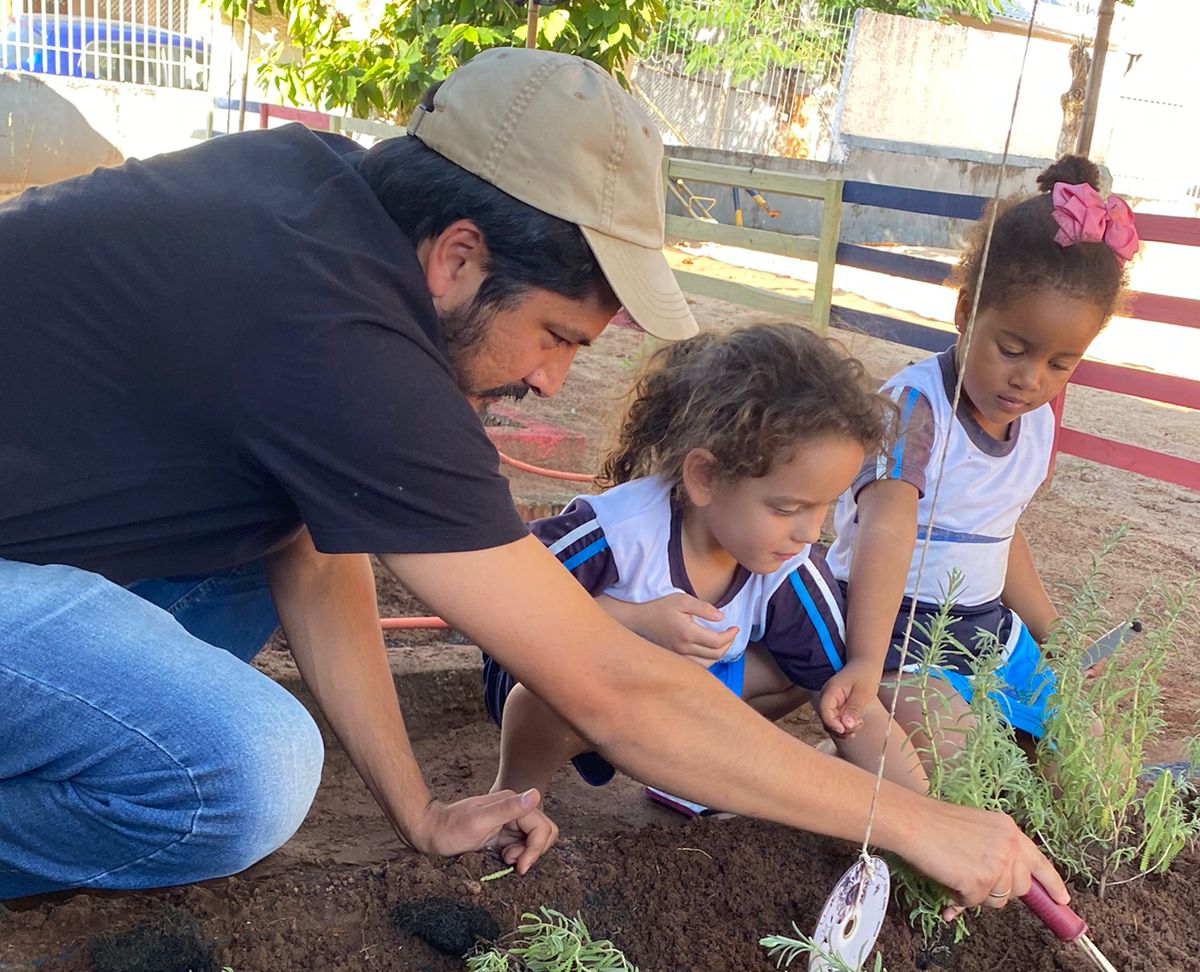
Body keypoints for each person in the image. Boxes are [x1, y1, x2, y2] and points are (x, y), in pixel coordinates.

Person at [0, 47, 1065, 917]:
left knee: (249, 561)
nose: (550, 380)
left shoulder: (324, 206)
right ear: (459, 256)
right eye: (555, 334)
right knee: (252, 769)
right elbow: (613, 687)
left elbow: (311, 550)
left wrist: (416, 807)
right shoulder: (341, 333)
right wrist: (917, 821)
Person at [485, 322, 925, 810]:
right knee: (542, 694)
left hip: (674, 698)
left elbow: (850, 704)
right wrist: (633, 623)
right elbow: (507, 608)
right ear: (705, 477)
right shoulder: (616, 533)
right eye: (786, 508)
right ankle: (514, 800)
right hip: (556, 692)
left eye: (824, 507)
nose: (809, 532)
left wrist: (930, 817)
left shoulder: (791, 568)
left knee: (817, 672)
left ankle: (682, 772)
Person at [821, 155, 1138, 764]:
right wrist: (863, 657)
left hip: (985, 629)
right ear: (966, 313)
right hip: (896, 630)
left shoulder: (1036, 421)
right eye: (1012, 349)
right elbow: (885, 531)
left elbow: (999, 531)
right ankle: (813, 773)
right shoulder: (917, 410)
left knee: (1093, 756)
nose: (1029, 379)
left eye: (1059, 364)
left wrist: (1055, 635)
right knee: (963, 760)